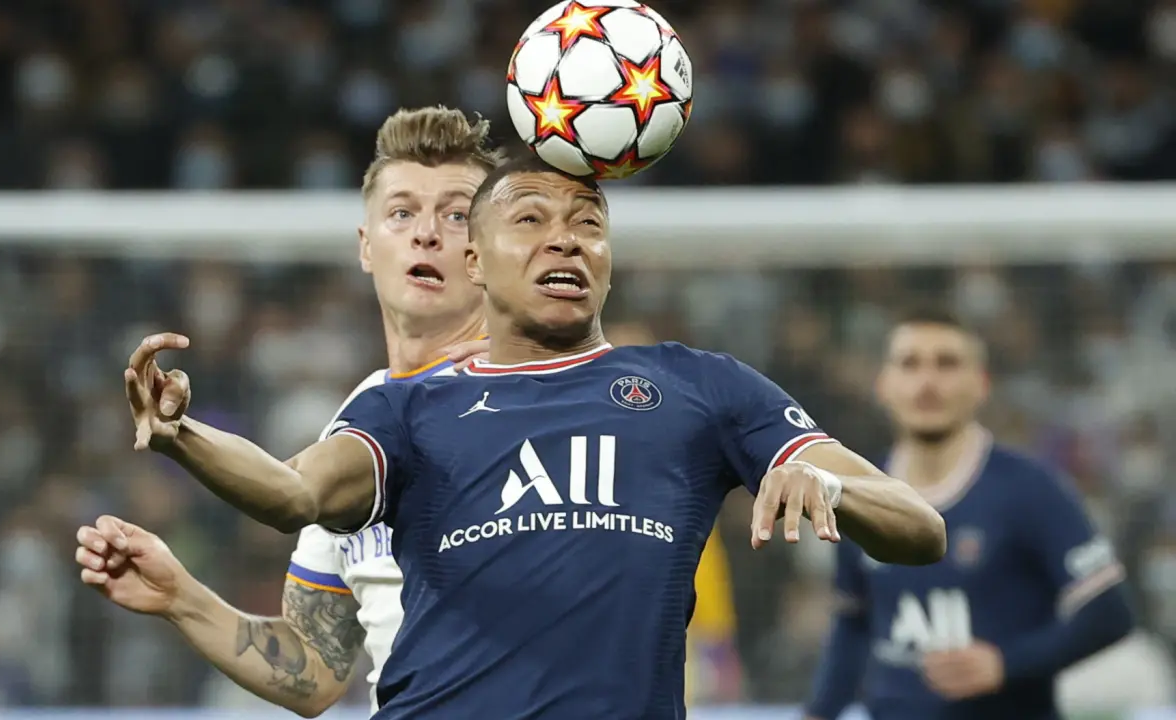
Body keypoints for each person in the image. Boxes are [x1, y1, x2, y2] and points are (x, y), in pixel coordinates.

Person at [108, 157, 946, 718]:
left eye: (587, 222)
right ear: (475, 260)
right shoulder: (407, 409)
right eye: (531, 219)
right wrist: (182, 436)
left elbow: (919, 526)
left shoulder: (699, 387)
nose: (564, 238)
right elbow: (292, 493)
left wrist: (833, 488)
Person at [73, 106, 500, 717]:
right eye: (402, 213)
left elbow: (291, 494)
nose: (426, 233)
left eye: (456, 215)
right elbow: (318, 666)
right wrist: (182, 597)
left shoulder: (535, 394)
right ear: (366, 246)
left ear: (491, 249)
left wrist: (179, 435)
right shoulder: (363, 413)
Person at [803, 309, 1135, 720]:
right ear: (883, 384)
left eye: (946, 363)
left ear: (981, 384)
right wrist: (818, 713)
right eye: (910, 364)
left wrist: (1006, 663)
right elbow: (853, 622)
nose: (927, 382)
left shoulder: (1029, 489)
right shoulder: (859, 492)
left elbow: (1109, 611)